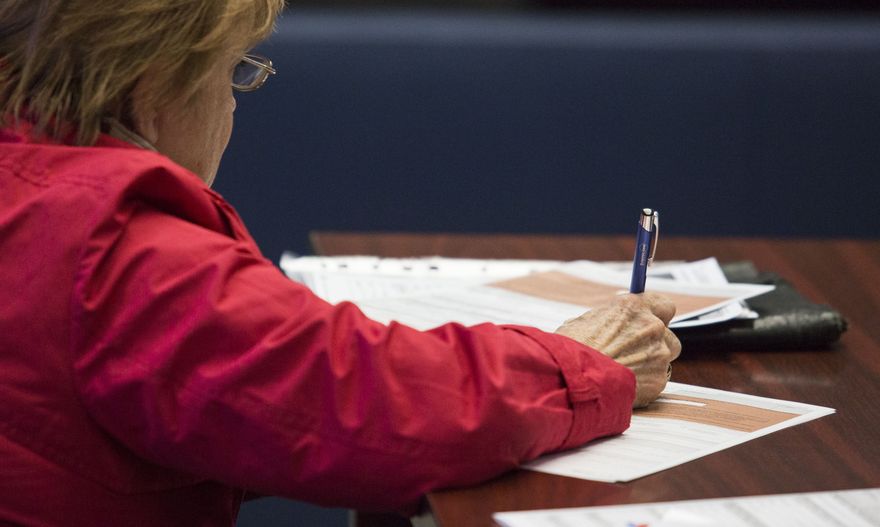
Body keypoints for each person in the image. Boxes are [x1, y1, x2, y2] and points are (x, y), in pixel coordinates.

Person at [0, 1, 681, 525]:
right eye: (233, 71)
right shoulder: (116, 242)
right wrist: (582, 363)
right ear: (153, 83)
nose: (232, 103)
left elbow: (242, 406)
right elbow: (374, 407)